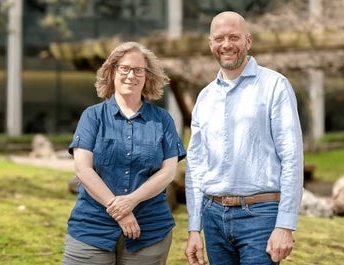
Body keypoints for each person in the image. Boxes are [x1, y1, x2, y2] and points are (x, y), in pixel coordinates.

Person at [184, 11, 304, 265]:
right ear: (210, 44)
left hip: (260, 216)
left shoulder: (275, 86)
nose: (226, 44)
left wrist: (285, 224)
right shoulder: (205, 98)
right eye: (219, 38)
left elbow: (292, 158)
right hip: (212, 217)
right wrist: (194, 228)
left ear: (248, 41)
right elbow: (195, 166)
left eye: (234, 37)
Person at [62, 41, 186, 265]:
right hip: (92, 229)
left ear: (147, 76)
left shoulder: (162, 120)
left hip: (149, 231)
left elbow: (168, 172)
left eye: (139, 70)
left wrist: (131, 201)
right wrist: (120, 210)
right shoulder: (92, 117)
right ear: (112, 72)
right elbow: (82, 168)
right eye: (125, 68)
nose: (132, 75)